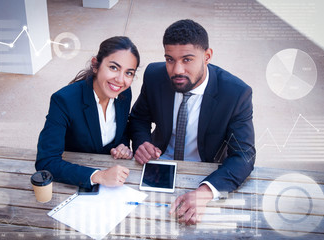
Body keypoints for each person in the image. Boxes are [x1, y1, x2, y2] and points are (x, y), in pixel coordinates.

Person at [129, 19, 255, 225]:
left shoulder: (236, 93)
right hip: (158, 164)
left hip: (206, 172)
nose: (177, 70)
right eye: (170, 59)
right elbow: (139, 118)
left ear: (207, 56)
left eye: (187, 60)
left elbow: (244, 155)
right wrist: (142, 142)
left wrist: (205, 192)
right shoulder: (154, 76)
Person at [36, 36, 140, 189]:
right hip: (74, 180)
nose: (120, 79)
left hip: (114, 177)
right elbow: (46, 162)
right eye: (113, 68)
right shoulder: (63, 101)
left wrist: (122, 145)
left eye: (129, 73)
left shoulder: (124, 93)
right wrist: (98, 176)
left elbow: (122, 128)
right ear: (95, 65)